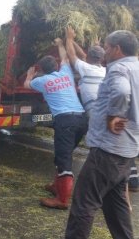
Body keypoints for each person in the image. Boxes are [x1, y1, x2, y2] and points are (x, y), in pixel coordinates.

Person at [65, 30, 139, 239]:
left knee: (84, 204)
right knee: (117, 208)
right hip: (127, 150)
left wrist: (113, 115)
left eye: (106, 47)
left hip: (108, 150)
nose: (105, 52)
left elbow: (122, 92)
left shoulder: (119, 69)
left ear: (117, 49)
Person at [24, 38, 88, 209]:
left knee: (64, 158)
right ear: (56, 66)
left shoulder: (41, 81)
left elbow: (26, 84)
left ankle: (62, 200)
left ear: (42, 70)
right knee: (62, 154)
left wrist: (30, 75)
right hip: (82, 119)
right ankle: (56, 186)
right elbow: (66, 59)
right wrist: (60, 44)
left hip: (65, 121)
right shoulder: (65, 72)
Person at [65, 27, 106, 116]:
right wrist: (71, 41)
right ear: (102, 59)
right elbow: (83, 56)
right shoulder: (105, 71)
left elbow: (71, 54)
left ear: (88, 57)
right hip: (106, 107)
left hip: (94, 111)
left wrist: (69, 38)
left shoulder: (86, 69)